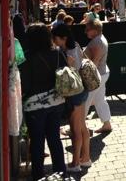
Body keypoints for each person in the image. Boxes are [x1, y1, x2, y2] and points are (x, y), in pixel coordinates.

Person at [19, 23, 67, 180]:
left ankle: (38, 175)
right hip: (57, 102)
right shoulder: (57, 53)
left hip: (35, 105)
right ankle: (61, 172)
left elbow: (25, 85)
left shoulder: (27, 57)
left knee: (37, 142)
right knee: (54, 138)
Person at [51, 24, 92, 173]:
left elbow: (69, 74)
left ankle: (75, 163)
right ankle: (86, 158)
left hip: (75, 92)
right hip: (83, 89)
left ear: (63, 38)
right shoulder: (76, 45)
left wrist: (68, 65)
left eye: (55, 38)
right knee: (82, 126)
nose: (54, 41)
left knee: (75, 130)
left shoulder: (66, 53)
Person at [84, 19, 112, 134]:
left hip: (96, 75)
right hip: (102, 73)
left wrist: (88, 78)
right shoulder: (99, 39)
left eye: (87, 30)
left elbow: (94, 61)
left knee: (85, 101)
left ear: (95, 30)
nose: (85, 32)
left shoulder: (97, 42)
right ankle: (107, 124)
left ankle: (78, 127)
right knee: (100, 100)